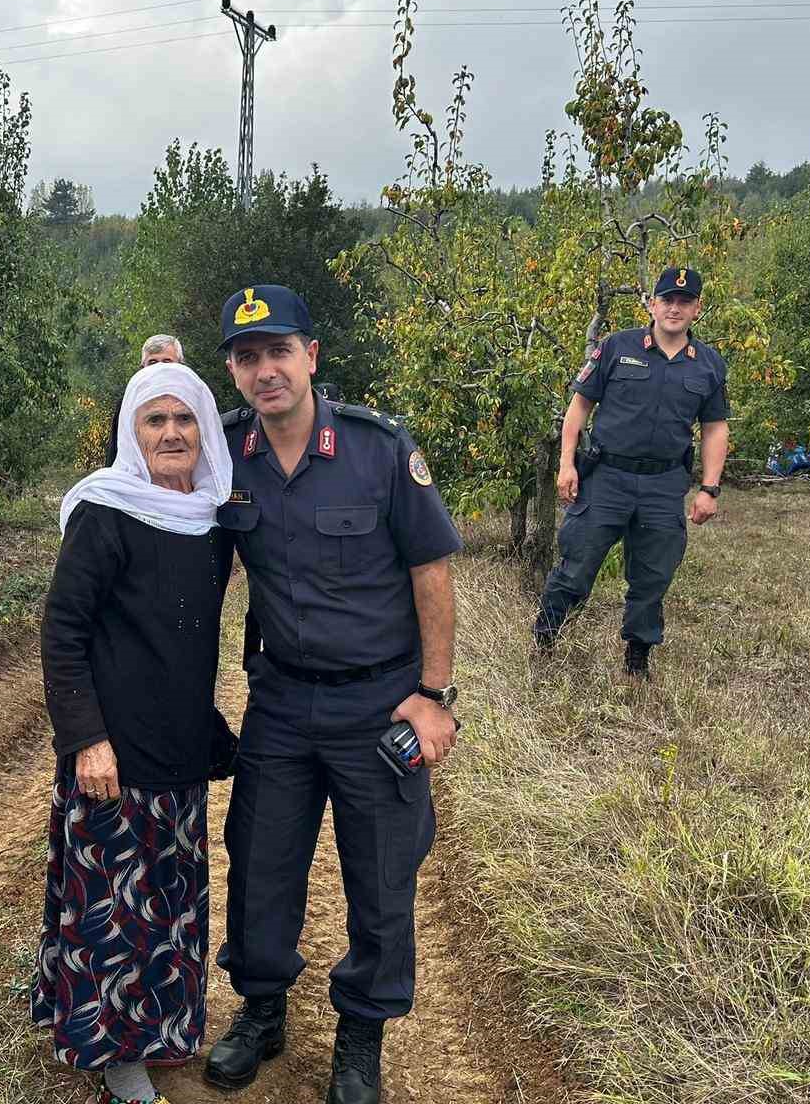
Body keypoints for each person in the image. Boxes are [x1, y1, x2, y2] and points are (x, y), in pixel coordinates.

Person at [204, 286, 462, 1104]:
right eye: (247, 357)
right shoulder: (226, 452)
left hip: (378, 702)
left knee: (382, 877)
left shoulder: (377, 449)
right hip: (280, 702)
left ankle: (360, 1035)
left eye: (279, 351)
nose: (264, 369)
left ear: (311, 356)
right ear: (234, 372)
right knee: (260, 862)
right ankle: (263, 1010)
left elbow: (433, 572)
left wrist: (433, 694)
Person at [32, 361, 240, 1104]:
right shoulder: (106, 511)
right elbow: (63, 631)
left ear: (205, 428)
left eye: (185, 419)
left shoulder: (214, 517)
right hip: (112, 752)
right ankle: (115, 1050)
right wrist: (86, 738)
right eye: (155, 420)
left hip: (178, 742)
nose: (173, 433)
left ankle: (164, 1028)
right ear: (132, 430)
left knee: (172, 894)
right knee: (113, 901)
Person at [531, 266, 729, 677]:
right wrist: (567, 463)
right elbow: (580, 406)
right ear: (652, 304)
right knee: (576, 566)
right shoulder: (616, 346)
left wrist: (709, 488)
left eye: (685, 301)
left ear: (697, 309)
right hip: (607, 478)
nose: (675, 308)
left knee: (653, 577)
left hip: (662, 484)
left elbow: (714, 428)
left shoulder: (708, 365)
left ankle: (637, 659)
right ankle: (545, 640)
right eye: (667, 300)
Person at [103, 334, 186, 465]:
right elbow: (117, 452)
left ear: (181, 365)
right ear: (142, 368)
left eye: (166, 361)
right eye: (152, 362)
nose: (159, 367)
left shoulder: (195, 401)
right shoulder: (128, 403)